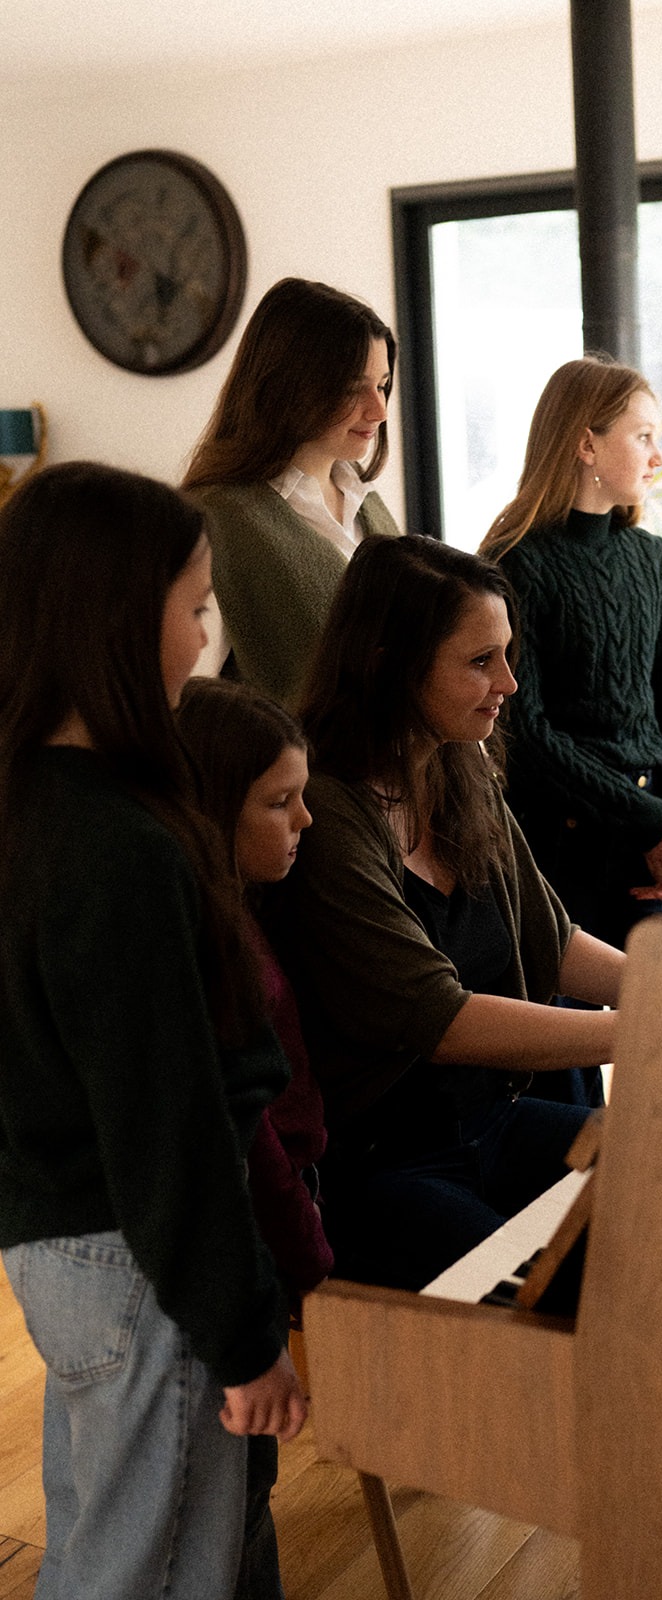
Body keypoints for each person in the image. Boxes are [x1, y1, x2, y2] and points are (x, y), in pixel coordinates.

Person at [0, 462, 306, 1600]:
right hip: (140, 1263)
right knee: (158, 1568)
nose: (207, 636)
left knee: (98, 1541)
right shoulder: (116, 846)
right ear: (124, 623)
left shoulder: (27, 801)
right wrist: (245, 1333)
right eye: (196, 606)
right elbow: (166, 1125)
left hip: (61, 1249)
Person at [284, 534, 626, 1292]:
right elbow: (439, 1021)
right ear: (385, 663)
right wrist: (646, 1031)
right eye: (480, 661)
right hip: (383, 1166)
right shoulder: (326, 812)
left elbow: (553, 939)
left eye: (505, 654)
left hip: (491, 1125)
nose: (508, 681)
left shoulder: (457, 764)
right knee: (555, 1292)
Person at [177, 676, 331, 1600]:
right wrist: (310, 1259)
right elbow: (253, 1144)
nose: (306, 820)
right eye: (279, 803)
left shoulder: (245, 914)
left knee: (244, 1489)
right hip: (254, 1230)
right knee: (227, 1490)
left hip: (282, 1211)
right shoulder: (209, 940)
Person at [480, 354, 662, 952]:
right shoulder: (516, 562)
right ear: (587, 445)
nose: (658, 456)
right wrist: (649, 817)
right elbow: (523, 735)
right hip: (562, 849)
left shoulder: (649, 558)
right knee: (569, 1042)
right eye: (643, 437)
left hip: (653, 845)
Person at [183, 276, 403, 706]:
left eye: (381, 385)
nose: (378, 410)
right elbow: (190, 697)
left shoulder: (368, 506)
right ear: (289, 385)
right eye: (352, 388)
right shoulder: (217, 519)